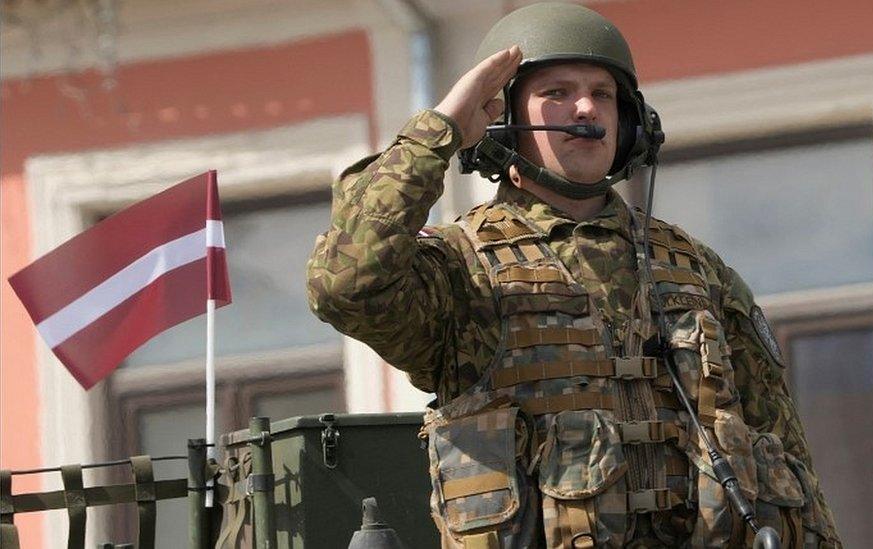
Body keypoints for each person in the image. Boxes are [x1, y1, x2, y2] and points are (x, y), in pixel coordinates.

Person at [307, 3, 841, 547]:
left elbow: (784, 453)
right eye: (556, 93)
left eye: (602, 94)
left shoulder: (696, 269)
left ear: (631, 123)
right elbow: (346, 285)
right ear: (505, 120)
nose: (585, 108)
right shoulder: (459, 267)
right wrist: (439, 132)